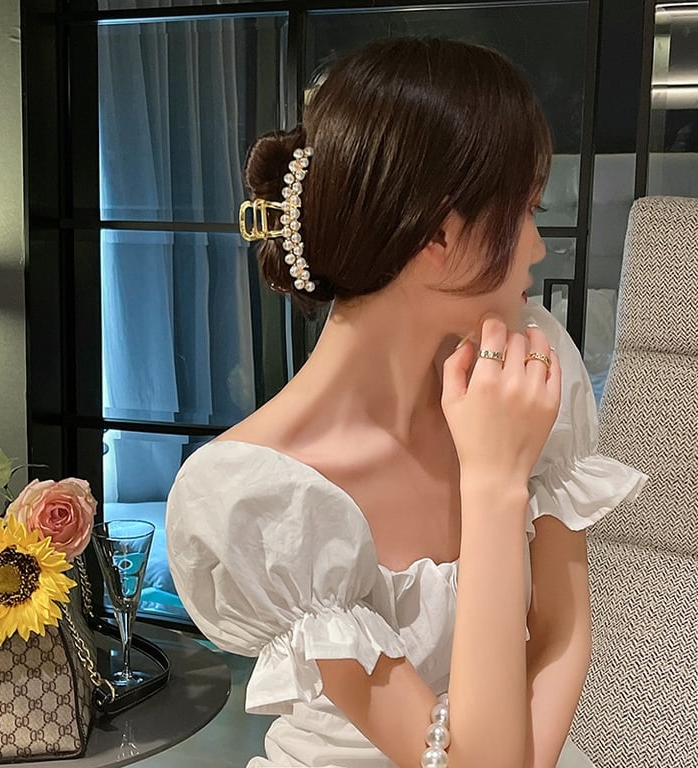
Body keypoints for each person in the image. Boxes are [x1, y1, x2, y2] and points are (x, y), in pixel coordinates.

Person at [166, 38, 647, 768]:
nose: (536, 248)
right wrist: (493, 480)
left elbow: (560, 631)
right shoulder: (261, 497)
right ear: (438, 234)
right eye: (524, 211)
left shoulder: (525, 360)